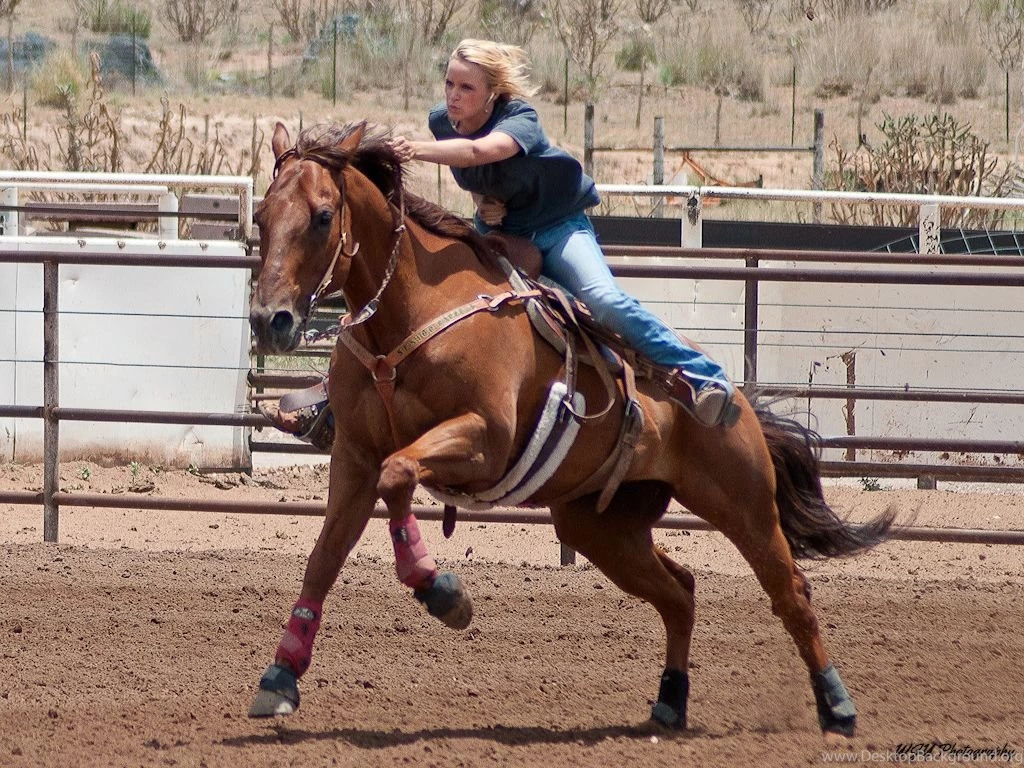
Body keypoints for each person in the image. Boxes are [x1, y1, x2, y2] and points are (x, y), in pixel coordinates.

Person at [264, 39, 738, 444]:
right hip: (501, 230)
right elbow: (478, 169)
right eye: (449, 84)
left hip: (559, 228)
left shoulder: (521, 118)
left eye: (466, 87)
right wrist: (487, 209)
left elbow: (479, 152)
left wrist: (413, 150)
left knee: (601, 300)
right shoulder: (443, 122)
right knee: (415, 296)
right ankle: (335, 393)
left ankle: (702, 376)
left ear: (493, 94)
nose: (453, 96)